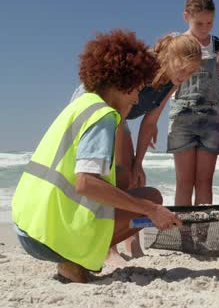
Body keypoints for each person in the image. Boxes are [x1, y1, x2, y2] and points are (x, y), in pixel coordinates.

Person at [11, 29, 182, 283]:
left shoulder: (82, 105)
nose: (137, 99)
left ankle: (74, 254)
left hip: (26, 225)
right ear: (123, 84)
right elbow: (85, 183)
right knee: (150, 201)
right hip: (48, 236)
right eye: (136, 89)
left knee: (125, 179)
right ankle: (72, 260)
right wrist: (151, 210)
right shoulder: (102, 116)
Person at [69, 33, 202, 264]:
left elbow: (150, 121)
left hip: (122, 117)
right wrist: (126, 163)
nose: (185, 76)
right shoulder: (143, 69)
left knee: (134, 175)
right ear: (169, 58)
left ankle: (133, 244)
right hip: (102, 110)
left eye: (191, 72)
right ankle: (108, 248)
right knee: (115, 175)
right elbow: (116, 116)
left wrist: (138, 162)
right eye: (183, 68)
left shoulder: (172, 81)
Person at [170, 0, 219, 208]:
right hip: (181, 119)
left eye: (209, 23)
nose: (204, 28)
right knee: (184, 182)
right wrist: (151, 122)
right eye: (199, 23)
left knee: (204, 181)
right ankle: (183, 236)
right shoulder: (176, 43)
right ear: (186, 17)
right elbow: (165, 85)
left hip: (211, 120)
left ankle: (201, 235)